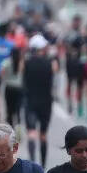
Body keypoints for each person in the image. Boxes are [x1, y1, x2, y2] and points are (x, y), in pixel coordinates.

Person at [22, 35, 58, 165]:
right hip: (46, 101)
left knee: (31, 133)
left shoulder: (26, 62)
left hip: (30, 100)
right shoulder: (50, 63)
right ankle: (42, 165)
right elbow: (55, 71)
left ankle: (32, 162)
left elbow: (22, 76)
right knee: (43, 134)